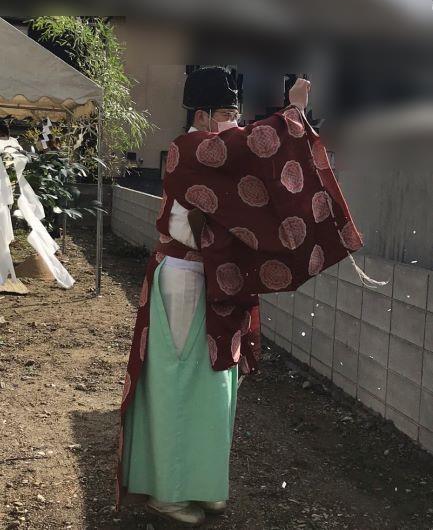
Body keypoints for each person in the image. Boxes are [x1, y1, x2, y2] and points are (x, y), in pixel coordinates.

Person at [116, 66, 363, 526]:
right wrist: (291, 113)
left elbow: (251, 154)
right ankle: (167, 491)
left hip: (216, 282)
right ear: (204, 115)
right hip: (185, 278)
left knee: (214, 388)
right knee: (177, 385)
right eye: (228, 112)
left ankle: (203, 486)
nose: (236, 121)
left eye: (236, 112)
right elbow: (250, 145)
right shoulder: (188, 150)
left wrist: (292, 118)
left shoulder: (216, 151)